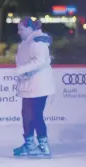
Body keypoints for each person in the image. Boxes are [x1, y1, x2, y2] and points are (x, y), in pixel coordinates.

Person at [13, 17, 55, 158]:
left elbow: (40, 61)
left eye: (21, 29)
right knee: (26, 114)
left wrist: (22, 70)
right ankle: (30, 144)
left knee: (36, 114)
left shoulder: (38, 42)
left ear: (30, 29)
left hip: (39, 85)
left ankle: (43, 145)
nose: (19, 32)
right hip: (28, 85)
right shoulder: (27, 42)